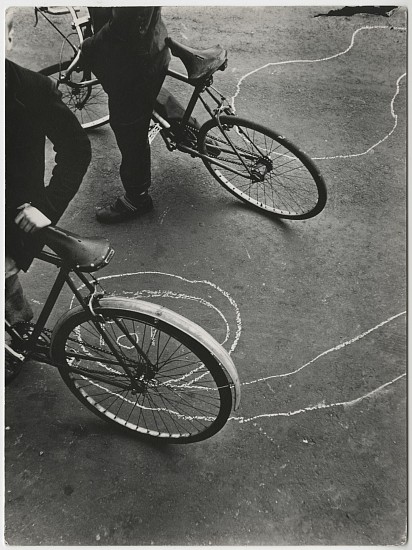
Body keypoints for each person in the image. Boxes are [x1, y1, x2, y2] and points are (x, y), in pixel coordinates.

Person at [5, 9, 92, 334]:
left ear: (9, 39)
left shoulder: (32, 90)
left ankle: (16, 330)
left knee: (6, 278)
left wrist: (47, 207)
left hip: (10, 225)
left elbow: (76, 148)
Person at [81, 7, 171, 224]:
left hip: (134, 61)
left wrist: (91, 44)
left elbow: (126, 22)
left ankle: (137, 198)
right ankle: (190, 129)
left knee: (129, 127)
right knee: (149, 99)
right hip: (150, 47)